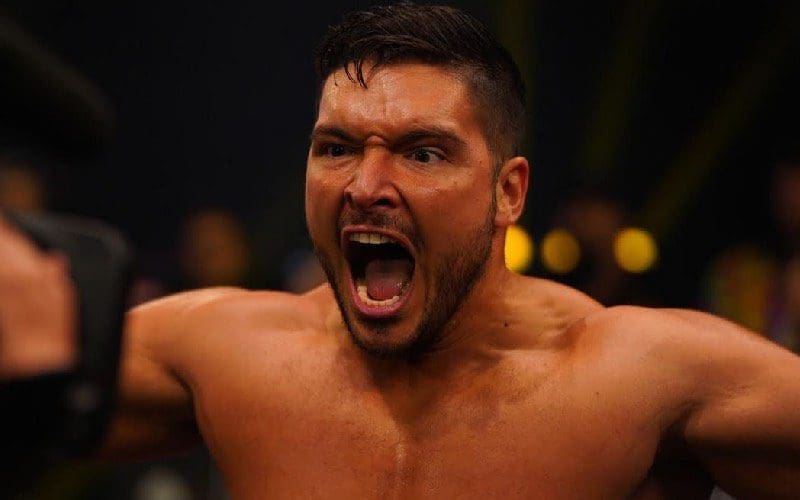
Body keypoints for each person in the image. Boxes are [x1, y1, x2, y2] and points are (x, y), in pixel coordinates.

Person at [1, 4, 799, 498]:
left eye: (422, 152)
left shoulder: (639, 379)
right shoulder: (224, 352)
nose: (365, 185)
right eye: (336, 147)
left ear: (508, 193)